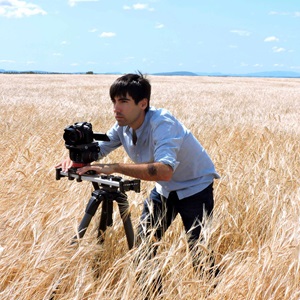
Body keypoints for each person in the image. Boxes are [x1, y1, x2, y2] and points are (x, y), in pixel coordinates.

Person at [56, 72, 220, 292]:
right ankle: (153, 295)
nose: (116, 108)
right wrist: (76, 158)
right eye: (114, 101)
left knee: (200, 253)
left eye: (124, 101)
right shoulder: (122, 127)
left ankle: (215, 292)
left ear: (143, 103)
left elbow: (164, 170)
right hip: (164, 191)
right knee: (143, 247)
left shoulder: (163, 123)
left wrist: (115, 167)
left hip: (194, 188)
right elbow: (100, 150)